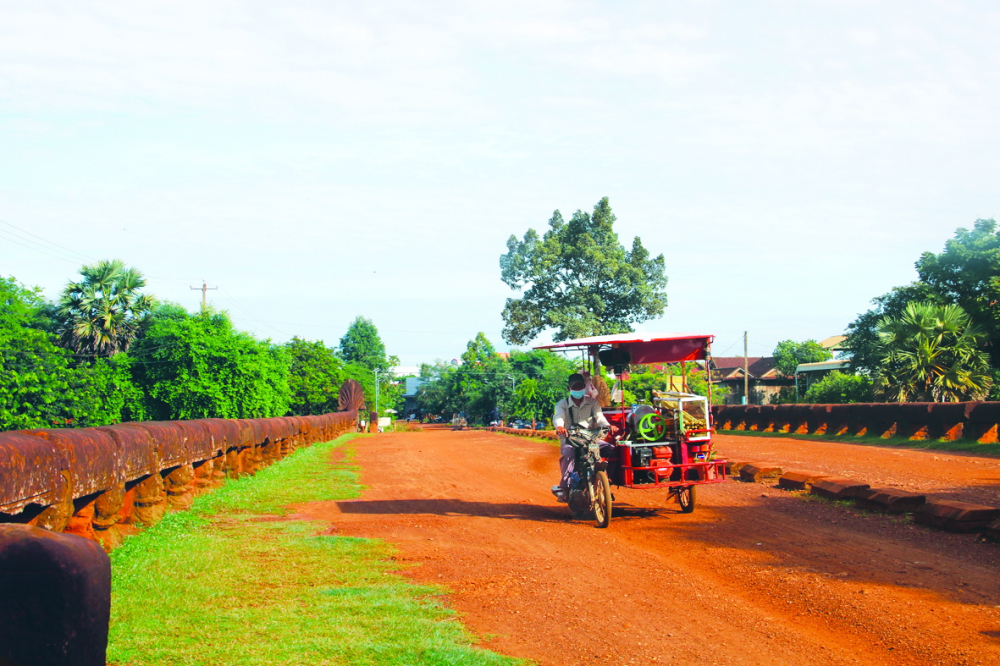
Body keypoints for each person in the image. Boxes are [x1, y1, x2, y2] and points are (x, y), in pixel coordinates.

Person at [551, 372, 611, 502]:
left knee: (609, 448)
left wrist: (607, 425)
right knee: (568, 454)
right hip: (570, 439)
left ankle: (606, 480)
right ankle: (565, 489)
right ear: (569, 388)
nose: (577, 389)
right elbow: (558, 416)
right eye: (575, 387)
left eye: (580, 386)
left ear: (584, 386)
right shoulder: (562, 404)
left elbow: (599, 417)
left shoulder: (592, 403)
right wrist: (560, 427)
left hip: (591, 438)